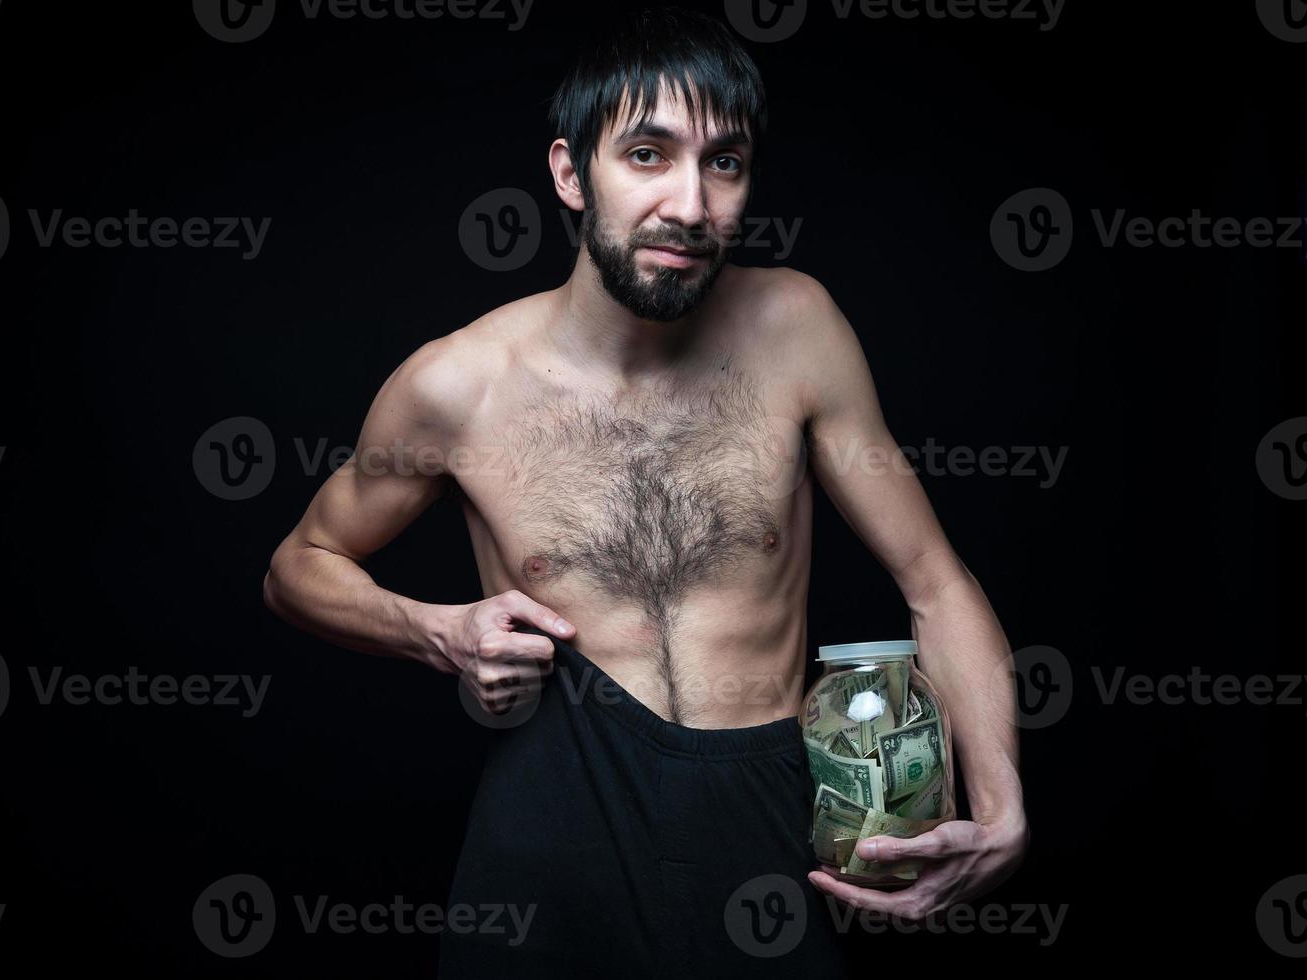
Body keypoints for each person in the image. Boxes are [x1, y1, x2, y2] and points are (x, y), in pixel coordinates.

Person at [263, 7, 1029, 976]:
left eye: (724, 161)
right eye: (647, 153)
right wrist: (436, 629)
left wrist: (1000, 803)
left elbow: (935, 582)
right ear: (570, 172)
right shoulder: (458, 383)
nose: (691, 203)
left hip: (767, 822)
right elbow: (298, 566)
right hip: (551, 834)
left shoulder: (799, 328)